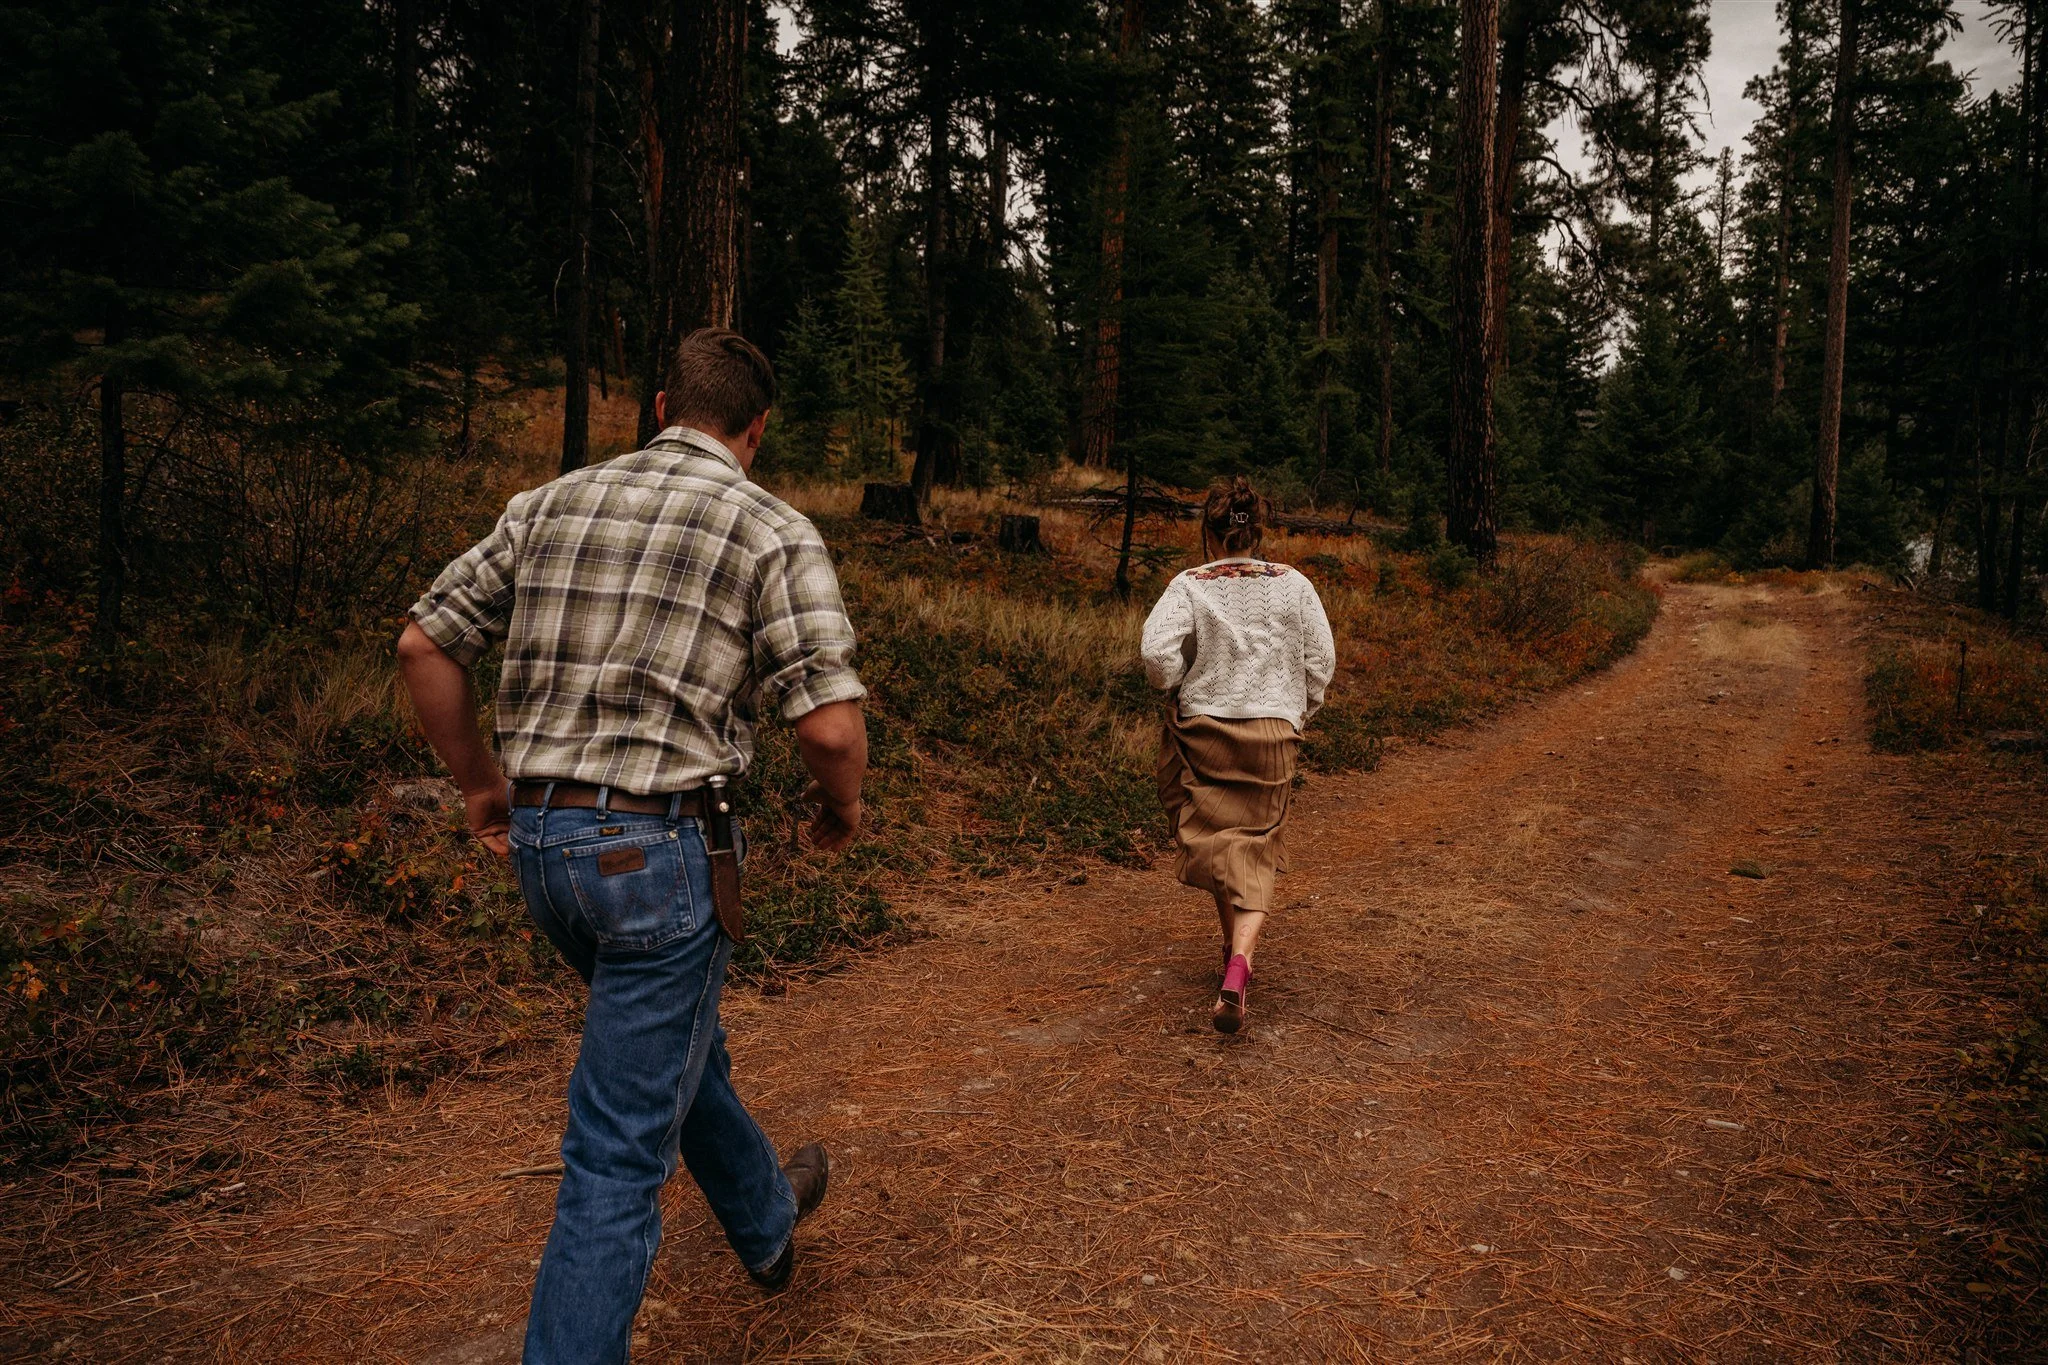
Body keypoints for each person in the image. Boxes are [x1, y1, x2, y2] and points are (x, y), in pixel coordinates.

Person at [395, 327, 869, 1364]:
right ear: (754, 431)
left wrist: (483, 784)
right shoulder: (767, 526)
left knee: (659, 1055)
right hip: (658, 856)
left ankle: (764, 1220)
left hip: (546, 851)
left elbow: (424, 641)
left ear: (661, 406)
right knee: (614, 1156)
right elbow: (829, 727)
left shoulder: (547, 503)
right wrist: (843, 807)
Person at [1141, 477, 1336, 1033]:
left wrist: (1177, 686)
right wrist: (1300, 708)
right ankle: (1239, 960)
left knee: (1220, 841)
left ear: (1211, 530)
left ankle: (1233, 953)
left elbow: (1156, 652)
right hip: (1274, 728)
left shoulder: (1189, 583)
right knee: (1255, 842)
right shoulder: (1294, 583)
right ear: (1259, 529)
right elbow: (1321, 659)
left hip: (1205, 727)